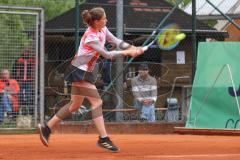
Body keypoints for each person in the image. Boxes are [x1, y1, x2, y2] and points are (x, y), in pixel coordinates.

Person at [38, 7, 144, 152]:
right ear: (95, 21)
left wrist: (134, 47)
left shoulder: (103, 29)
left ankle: (47, 127)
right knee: (97, 102)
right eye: (104, 19)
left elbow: (116, 41)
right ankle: (103, 138)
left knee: (74, 105)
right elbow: (106, 54)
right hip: (78, 71)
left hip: (86, 71)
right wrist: (128, 52)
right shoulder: (90, 37)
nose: (106, 20)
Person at [12, 48, 35, 115]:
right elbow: (14, 69)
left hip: (29, 80)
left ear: (28, 53)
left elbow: (35, 69)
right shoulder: (18, 60)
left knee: (29, 96)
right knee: (19, 96)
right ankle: (17, 113)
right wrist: (15, 78)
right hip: (20, 80)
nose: (25, 53)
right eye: (24, 51)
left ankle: (31, 113)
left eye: (27, 51)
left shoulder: (31, 60)